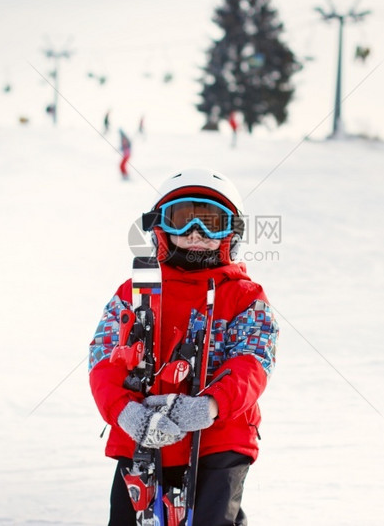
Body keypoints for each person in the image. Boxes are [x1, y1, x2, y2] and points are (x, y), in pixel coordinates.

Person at [88, 168, 279, 525]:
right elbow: (103, 358)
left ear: (230, 234)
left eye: (210, 222)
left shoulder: (244, 297)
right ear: (161, 228)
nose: (196, 234)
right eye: (182, 221)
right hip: (140, 431)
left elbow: (252, 361)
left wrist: (210, 406)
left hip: (219, 436)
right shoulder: (134, 292)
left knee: (212, 516)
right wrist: (125, 412)